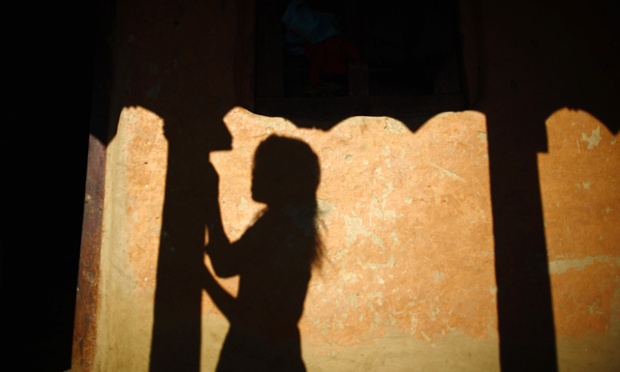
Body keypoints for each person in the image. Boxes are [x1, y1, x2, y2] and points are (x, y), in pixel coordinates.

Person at [201, 134, 324, 371]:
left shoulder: (276, 231)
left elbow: (247, 315)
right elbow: (225, 264)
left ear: (284, 179)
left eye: (263, 169)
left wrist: (201, 276)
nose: (254, 175)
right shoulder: (281, 227)